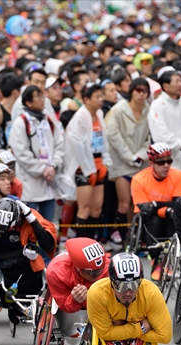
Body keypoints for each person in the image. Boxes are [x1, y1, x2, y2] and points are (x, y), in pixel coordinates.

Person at [0, 198, 57, 325]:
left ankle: (20, 307)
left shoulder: (30, 216)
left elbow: (49, 246)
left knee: (41, 280)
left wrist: (32, 220)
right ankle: (14, 307)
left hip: (30, 269)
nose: (4, 234)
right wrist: (22, 253)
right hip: (4, 267)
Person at [86, 252, 171, 345]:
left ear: (141, 281)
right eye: (122, 286)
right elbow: (106, 333)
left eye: (134, 284)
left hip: (122, 330)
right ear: (111, 282)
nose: (128, 292)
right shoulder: (97, 293)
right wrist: (142, 327)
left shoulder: (151, 293)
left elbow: (164, 336)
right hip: (112, 336)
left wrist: (124, 327)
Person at [104, 78, 151, 249]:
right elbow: (113, 135)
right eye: (137, 90)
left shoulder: (149, 110)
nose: (140, 94)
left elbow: (150, 137)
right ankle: (123, 239)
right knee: (124, 202)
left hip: (141, 162)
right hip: (122, 162)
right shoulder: (118, 110)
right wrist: (129, 156)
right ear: (131, 91)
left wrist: (139, 155)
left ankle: (134, 237)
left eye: (144, 91)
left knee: (136, 203)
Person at [9, 85, 66, 223]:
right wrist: (43, 169)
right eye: (38, 97)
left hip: (49, 181)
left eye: (43, 96)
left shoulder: (49, 121)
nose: (43, 100)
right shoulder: (21, 122)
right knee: (31, 226)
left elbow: (60, 145)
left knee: (49, 225)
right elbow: (21, 153)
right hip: (30, 183)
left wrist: (53, 166)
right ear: (28, 102)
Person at [131, 142, 181, 277]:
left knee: (174, 215)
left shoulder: (178, 175)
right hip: (149, 219)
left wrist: (156, 205)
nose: (166, 165)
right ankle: (156, 258)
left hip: (170, 216)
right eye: (161, 162)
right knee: (154, 218)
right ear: (151, 163)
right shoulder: (139, 179)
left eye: (169, 161)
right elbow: (144, 208)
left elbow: (177, 204)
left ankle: (169, 258)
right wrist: (163, 209)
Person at [65, 83, 111, 240]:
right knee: (84, 207)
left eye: (101, 96)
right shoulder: (79, 117)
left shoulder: (99, 115)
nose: (101, 99)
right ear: (86, 99)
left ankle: (92, 241)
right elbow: (78, 146)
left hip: (98, 162)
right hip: (82, 165)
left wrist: (105, 163)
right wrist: (89, 169)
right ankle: (80, 244)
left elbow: (104, 141)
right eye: (97, 97)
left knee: (97, 208)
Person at [46, 238, 108, 345]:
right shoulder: (56, 272)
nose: (96, 275)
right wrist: (74, 300)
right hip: (71, 312)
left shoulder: (109, 268)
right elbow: (65, 305)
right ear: (77, 268)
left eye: (99, 270)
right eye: (90, 272)